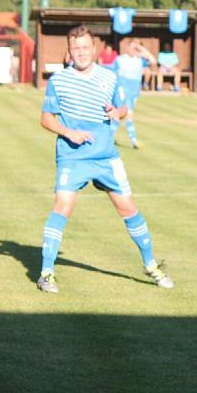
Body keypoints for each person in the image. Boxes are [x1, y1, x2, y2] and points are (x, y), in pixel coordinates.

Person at [37, 25, 173, 294]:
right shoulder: (59, 80)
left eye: (86, 47)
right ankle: (46, 272)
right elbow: (46, 118)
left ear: (94, 49)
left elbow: (122, 108)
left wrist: (117, 112)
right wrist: (68, 132)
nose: (81, 52)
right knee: (61, 207)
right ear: (69, 51)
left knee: (128, 209)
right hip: (72, 157)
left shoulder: (110, 77)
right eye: (76, 48)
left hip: (105, 156)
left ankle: (151, 264)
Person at [112, 38, 156, 149]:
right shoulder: (120, 59)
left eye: (135, 48)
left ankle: (108, 138)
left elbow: (153, 61)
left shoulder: (140, 60)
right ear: (127, 47)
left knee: (119, 117)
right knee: (128, 115)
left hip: (134, 93)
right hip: (123, 92)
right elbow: (112, 72)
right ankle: (134, 141)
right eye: (131, 47)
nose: (133, 49)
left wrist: (141, 49)